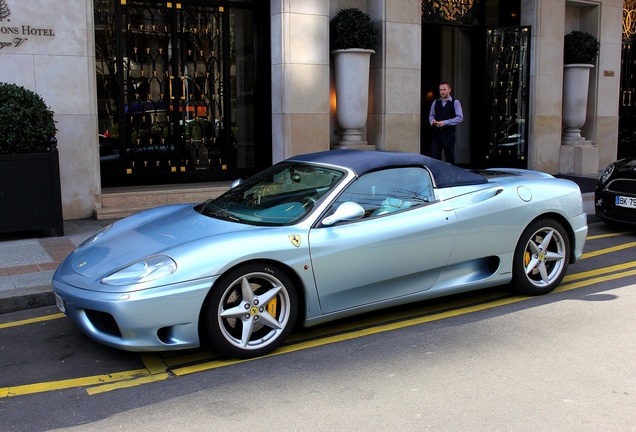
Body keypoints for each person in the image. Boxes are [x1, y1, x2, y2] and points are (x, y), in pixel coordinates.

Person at [428, 81, 463, 164]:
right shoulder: (435, 102)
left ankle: (451, 176)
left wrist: (445, 122)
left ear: (449, 90)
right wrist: (432, 121)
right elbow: (431, 115)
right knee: (434, 157)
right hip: (436, 135)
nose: (442, 92)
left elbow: (460, 117)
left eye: (444, 89)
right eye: (440, 90)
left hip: (448, 135)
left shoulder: (455, 102)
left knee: (449, 157)